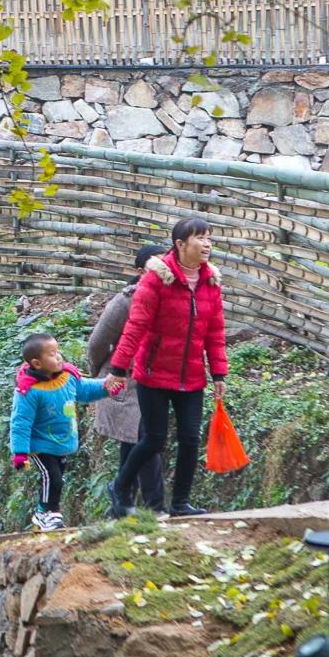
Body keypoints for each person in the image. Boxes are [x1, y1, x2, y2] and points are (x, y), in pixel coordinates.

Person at [107, 216, 228, 518]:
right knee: (154, 439)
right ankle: (120, 486)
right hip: (153, 374)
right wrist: (119, 368)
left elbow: (215, 331)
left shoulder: (210, 281)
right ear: (180, 244)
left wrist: (219, 372)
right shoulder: (156, 279)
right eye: (200, 238)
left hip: (192, 376)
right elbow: (135, 326)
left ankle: (180, 503)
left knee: (190, 438)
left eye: (209, 237)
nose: (207, 244)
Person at [9, 333, 124, 532]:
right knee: (51, 477)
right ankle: (48, 513)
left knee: (57, 479)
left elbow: (86, 390)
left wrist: (106, 387)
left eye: (58, 351)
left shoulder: (67, 378)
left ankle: (43, 511)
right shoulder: (28, 391)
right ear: (36, 363)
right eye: (52, 354)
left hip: (61, 443)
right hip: (40, 445)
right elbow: (21, 422)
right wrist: (20, 452)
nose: (59, 357)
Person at [88, 244, 168, 517]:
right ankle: (155, 507)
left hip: (155, 382)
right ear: (139, 271)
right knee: (145, 440)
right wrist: (102, 374)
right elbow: (98, 343)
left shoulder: (170, 298)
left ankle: (121, 505)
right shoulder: (125, 301)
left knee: (134, 441)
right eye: (154, 266)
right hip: (127, 384)